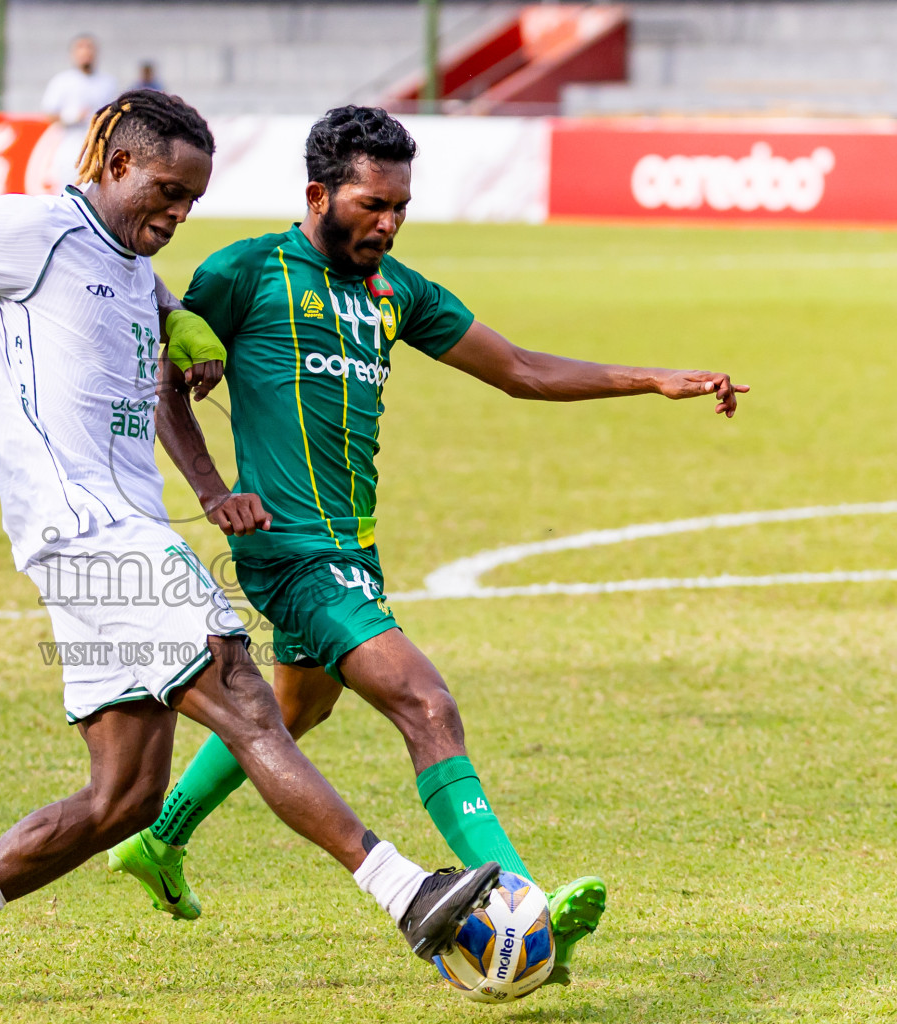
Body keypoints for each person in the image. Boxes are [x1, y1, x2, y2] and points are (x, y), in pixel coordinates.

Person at [0, 91, 501, 1008]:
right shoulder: (33, 229)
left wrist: (209, 468)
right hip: (88, 529)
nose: (176, 215)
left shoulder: (137, 272)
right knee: (245, 697)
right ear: (113, 165)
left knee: (124, 799)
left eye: (191, 201)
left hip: (106, 530)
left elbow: (155, 376)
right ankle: (407, 892)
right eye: (166, 191)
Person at [109, 105, 750, 988]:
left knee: (296, 706)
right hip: (290, 550)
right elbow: (166, 385)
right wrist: (216, 493)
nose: (389, 222)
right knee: (425, 702)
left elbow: (520, 369)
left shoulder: (396, 291)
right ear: (317, 193)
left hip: (353, 549)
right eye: (373, 205)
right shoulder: (248, 272)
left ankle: (160, 839)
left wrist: (652, 381)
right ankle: (521, 904)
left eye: (401, 207)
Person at [41, 34, 119, 193]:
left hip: (98, 145)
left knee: (93, 192)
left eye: (89, 49)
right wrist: (71, 117)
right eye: (81, 50)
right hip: (71, 146)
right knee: (67, 190)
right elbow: (49, 114)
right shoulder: (63, 81)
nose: (86, 54)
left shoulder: (107, 82)